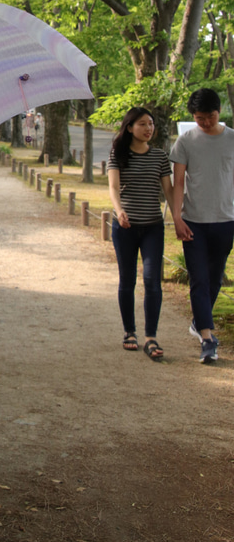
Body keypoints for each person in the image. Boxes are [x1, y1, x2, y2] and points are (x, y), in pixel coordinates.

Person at [170, 88, 234, 364]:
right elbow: (179, 182)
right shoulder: (185, 141)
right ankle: (207, 339)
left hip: (225, 220)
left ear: (219, 112)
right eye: (199, 118)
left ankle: (199, 322)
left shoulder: (232, 139)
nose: (205, 122)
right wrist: (176, 217)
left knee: (214, 276)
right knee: (198, 278)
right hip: (193, 220)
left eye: (209, 116)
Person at [107, 107, 174, 360]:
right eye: (143, 124)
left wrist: (177, 215)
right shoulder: (118, 154)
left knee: (152, 279)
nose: (149, 129)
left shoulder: (160, 156)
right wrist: (119, 210)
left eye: (151, 124)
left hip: (153, 227)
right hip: (124, 227)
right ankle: (129, 332)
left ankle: (151, 337)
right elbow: (113, 187)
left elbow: (168, 190)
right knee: (127, 280)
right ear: (130, 127)